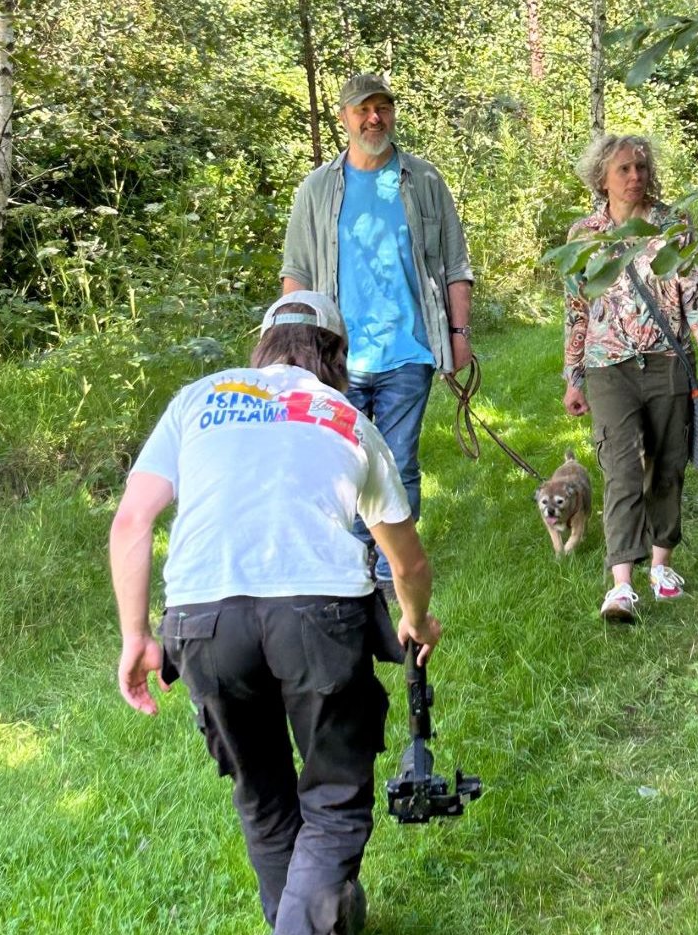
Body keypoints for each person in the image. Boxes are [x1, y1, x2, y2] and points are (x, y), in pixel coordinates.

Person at [110, 290, 442, 935]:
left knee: (262, 798)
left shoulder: (198, 399)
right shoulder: (347, 418)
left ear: (262, 347)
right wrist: (417, 621)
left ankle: (322, 920)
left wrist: (136, 635)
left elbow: (132, 522)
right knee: (334, 802)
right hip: (318, 614)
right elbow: (408, 562)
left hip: (202, 622)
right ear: (335, 354)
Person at [279, 73, 473, 605]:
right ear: (343, 117)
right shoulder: (316, 189)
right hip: (333, 355)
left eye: (383, 108)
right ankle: (355, 560)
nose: (374, 119)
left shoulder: (425, 181)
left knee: (397, 461)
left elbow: (456, 265)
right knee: (340, 461)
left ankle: (386, 576)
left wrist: (458, 335)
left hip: (408, 349)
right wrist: (292, 349)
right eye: (363, 110)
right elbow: (295, 272)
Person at [562, 135, 698, 623]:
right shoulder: (583, 235)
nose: (635, 176)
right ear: (602, 177)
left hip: (668, 359)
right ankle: (621, 585)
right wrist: (574, 377)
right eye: (623, 169)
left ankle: (661, 566)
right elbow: (577, 311)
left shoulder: (673, 227)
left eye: (641, 167)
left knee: (667, 466)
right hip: (608, 369)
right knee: (620, 469)